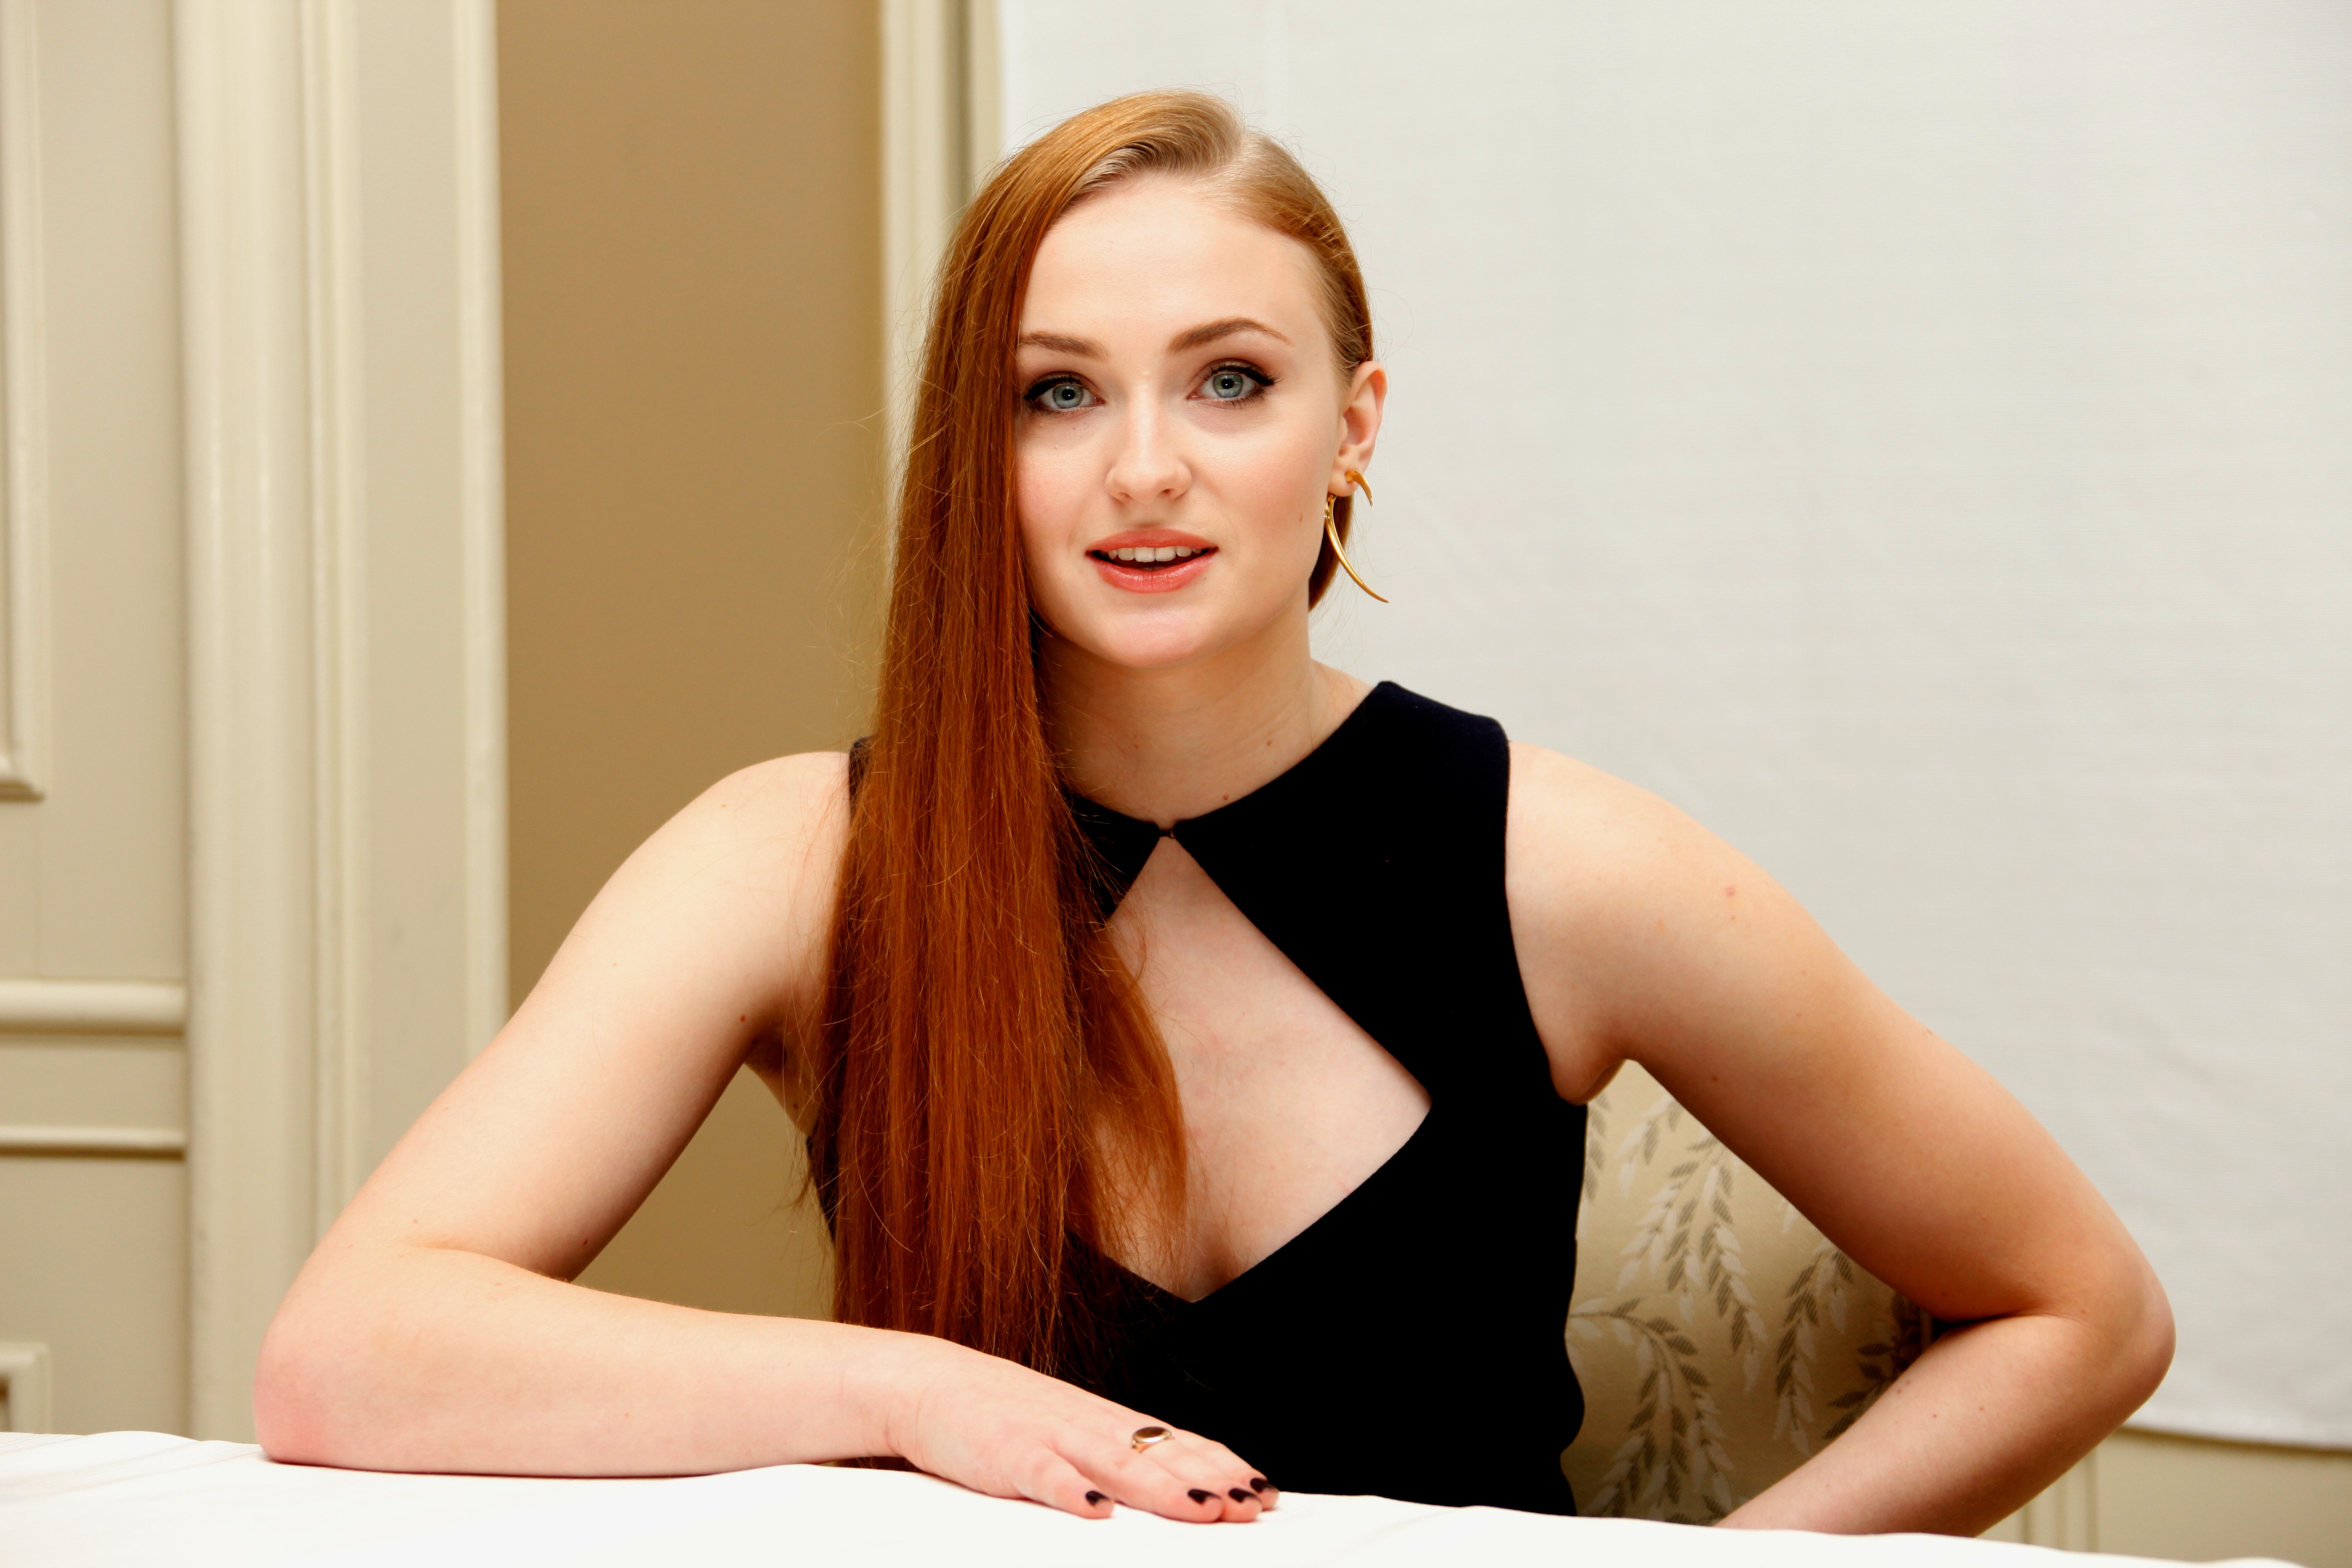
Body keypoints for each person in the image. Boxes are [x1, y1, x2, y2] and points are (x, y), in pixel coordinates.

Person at [255, 90, 2171, 1531]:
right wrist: (915, 1395)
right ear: (976, 450)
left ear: (1354, 428)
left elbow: (2081, 1310)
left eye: (1231, 382)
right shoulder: (796, 862)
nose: (1145, 470)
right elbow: (348, 1356)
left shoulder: (1566, 869)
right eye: (1057, 396)